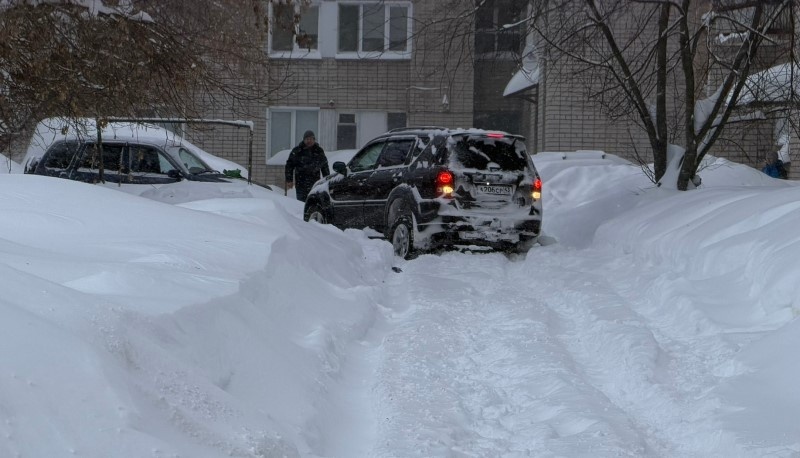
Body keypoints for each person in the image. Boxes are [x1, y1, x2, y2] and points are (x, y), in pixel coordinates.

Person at [285, 130, 330, 201]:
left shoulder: (319, 151)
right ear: (304, 140)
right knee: (301, 204)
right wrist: (289, 179)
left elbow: (324, 166)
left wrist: (326, 179)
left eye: (311, 139)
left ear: (314, 140)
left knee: (313, 202)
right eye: (307, 139)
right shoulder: (297, 151)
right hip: (300, 183)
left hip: (315, 183)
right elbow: (289, 165)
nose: (309, 141)